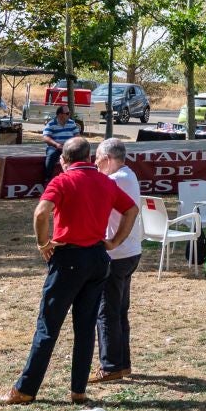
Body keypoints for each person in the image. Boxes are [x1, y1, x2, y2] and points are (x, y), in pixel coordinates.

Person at [0, 136, 137, 405]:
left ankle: (25, 389)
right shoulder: (106, 182)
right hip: (98, 258)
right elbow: (131, 210)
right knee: (85, 328)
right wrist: (116, 241)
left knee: (48, 326)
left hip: (69, 258)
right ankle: (78, 390)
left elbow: (41, 213)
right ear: (89, 157)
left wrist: (42, 243)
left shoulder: (62, 180)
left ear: (64, 160)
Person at [93, 139, 143, 384]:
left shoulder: (115, 179)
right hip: (129, 252)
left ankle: (111, 366)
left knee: (107, 312)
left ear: (109, 159)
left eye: (98, 159)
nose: (95, 163)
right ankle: (122, 364)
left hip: (117, 254)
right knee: (119, 310)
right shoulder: (129, 174)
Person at [40, 104, 79, 183]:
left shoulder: (71, 123)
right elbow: (45, 137)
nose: (69, 115)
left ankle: (76, 177)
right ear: (60, 115)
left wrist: (74, 144)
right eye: (67, 113)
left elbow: (77, 136)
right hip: (55, 146)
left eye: (69, 113)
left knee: (80, 154)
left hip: (69, 147)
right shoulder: (51, 124)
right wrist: (56, 145)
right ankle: (47, 178)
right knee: (51, 154)